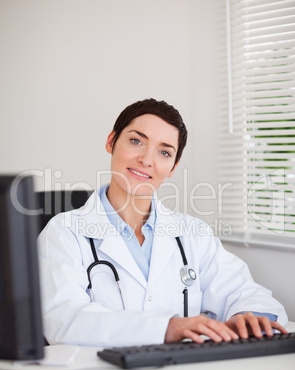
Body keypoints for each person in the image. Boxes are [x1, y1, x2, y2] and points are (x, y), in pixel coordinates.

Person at [38, 98, 288, 347]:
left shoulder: (193, 234)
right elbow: (62, 319)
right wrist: (166, 328)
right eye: (136, 141)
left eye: (164, 152)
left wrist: (249, 318)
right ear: (111, 142)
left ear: (173, 167)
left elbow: (245, 293)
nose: (147, 160)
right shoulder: (64, 233)